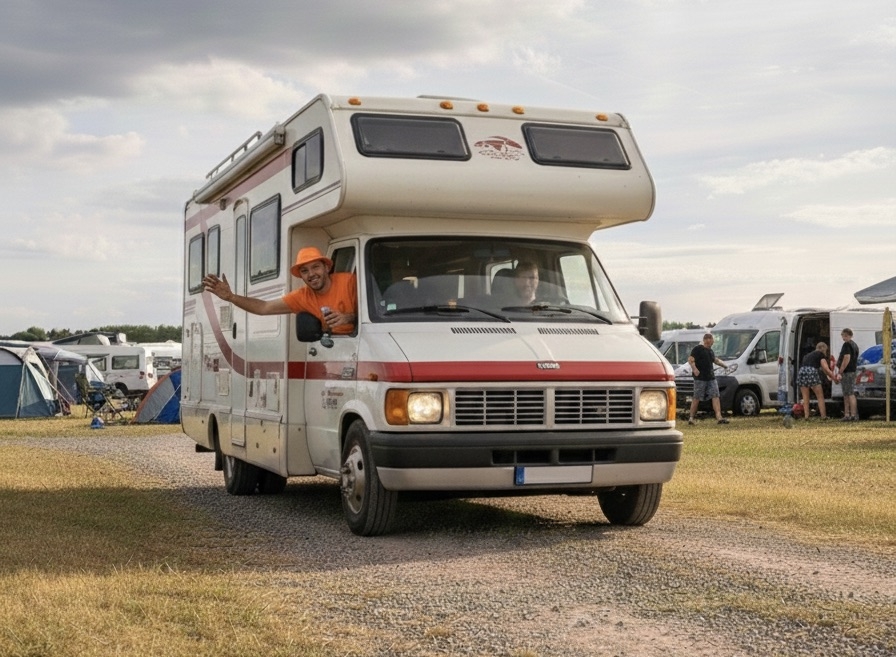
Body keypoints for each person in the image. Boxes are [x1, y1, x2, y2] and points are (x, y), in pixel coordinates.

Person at [202, 246, 357, 334]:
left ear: (327, 267)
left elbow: (376, 314)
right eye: (304, 271)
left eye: (315, 267)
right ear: (301, 276)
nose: (311, 274)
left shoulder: (349, 281)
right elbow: (264, 307)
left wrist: (348, 318)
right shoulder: (302, 296)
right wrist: (231, 297)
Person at [687, 333, 730, 425]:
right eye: (710, 339)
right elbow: (691, 359)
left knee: (715, 396)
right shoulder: (698, 349)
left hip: (711, 378)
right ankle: (691, 418)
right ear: (707, 340)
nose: (712, 341)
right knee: (696, 397)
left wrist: (725, 366)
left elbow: (715, 360)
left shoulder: (710, 351)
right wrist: (695, 369)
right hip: (700, 378)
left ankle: (719, 417)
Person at [797, 342, 834, 420]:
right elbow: (826, 368)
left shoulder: (807, 355)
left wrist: (828, 376)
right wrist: (834, 378)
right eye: (826, 350)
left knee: (805, 396)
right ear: (823, 349)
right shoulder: (820, 355)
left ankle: (806, 416)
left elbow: (824, 370)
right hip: (812, 372)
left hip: (802, 372)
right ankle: (823, 416)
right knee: (820, 396)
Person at [835, 328, 860, 422]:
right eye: (842, 336)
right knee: (846, 393)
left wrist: (840, 371)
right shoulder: (854, 345)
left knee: (849, 393)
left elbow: (847, 358)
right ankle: (847, 414)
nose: (843, 338)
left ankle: (852, 415)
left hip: (848, 371)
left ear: (850, 336)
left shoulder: (847, 345)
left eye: (845, 336)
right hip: (852, 370)